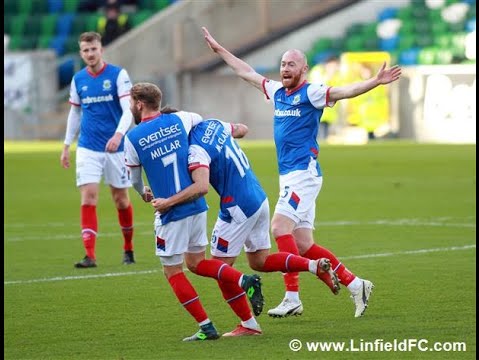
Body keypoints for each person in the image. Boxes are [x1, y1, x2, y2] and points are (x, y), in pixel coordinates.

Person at [202, 26, 402, 318]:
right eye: (283, 64)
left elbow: (346, 91)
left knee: (279, 228)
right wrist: (219, 49)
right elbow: (245, 72)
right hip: (290, 175)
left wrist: (375, 81)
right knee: (304, 244)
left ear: (303, 69)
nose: (285, 68)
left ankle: (292, 296)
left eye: (291, 64)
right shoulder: (277, 92)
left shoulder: (313, 92)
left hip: (303, 174)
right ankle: (356, 284)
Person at [152, 118, 339, 335]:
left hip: (236, 206)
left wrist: (167, 201)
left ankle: (249, 324)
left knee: (221, 269)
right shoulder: (213, 124)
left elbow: (201, 186)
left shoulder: (195, 150)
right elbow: (242, 129)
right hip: (258, 197)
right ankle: (313, 266)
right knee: (259, 261)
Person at [124, 82, 264, 341]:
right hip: (197, 206)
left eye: (131, 103)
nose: (130, 107)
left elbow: (132, 179)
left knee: (173, 271)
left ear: (139, 104)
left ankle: (207, 326)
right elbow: (201, 125)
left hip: (172, 210)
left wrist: (143, 191)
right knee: (196, 263)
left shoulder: (132, 138)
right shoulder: (181, 118)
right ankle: (243, 281)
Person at [60, 31, 136, 268]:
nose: (90, 54)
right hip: (88, 147)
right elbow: (75, 112)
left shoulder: (118, 75)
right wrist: (66, 145)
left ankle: (128, 248)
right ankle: (90, 255)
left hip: (116, 147)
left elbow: (128, 110)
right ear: (81, 53)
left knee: (121, 200)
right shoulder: (78, 79)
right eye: (85, 50)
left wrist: (118, 135)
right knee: (88, 196)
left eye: (94, 49)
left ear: (101, 49)